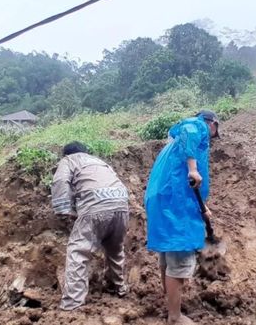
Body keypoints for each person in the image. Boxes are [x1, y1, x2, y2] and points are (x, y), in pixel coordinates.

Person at [144, 110, 220, 325]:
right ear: (212, 124)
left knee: (169, 255)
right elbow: (189, 129)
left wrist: (202, 206)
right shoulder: (196, 127)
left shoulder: (173, 147)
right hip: (176, 207)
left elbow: (181, 181)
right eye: (214, 132)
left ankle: (169, 303)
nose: (212, 138)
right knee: (179, 256)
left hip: (165, 200)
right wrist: (194, 169)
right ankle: (175, 316)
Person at [51, 141, 129, 311]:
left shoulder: (69, 160)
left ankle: (72, 303)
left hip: (96, 206)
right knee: (115, 248)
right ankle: (118, 287)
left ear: (66, 154)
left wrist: (65, 209)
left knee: (78, 251)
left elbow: (60, 180)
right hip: (122, 204)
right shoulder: (100, 162)